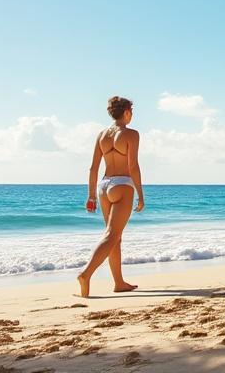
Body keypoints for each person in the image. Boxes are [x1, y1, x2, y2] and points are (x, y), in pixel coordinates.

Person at [77, 95, 145, 297]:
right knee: (111, 236)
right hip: (122, 184)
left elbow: (93, 168)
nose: (131, 115)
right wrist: (141, 195)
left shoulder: (102, 135)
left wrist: (91, 196)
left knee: (115, 237)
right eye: (131, 112)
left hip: (103, 186)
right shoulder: (131, 134)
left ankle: (119, 282)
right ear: (126, 112)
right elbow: (133, 166)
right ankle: (85, 274)